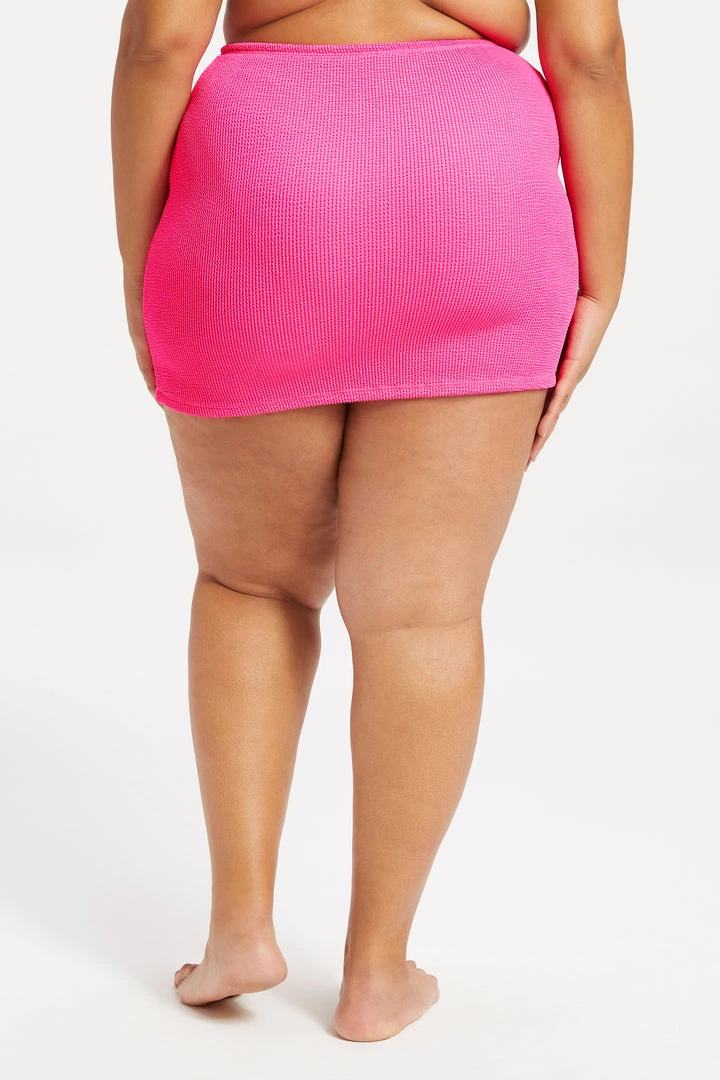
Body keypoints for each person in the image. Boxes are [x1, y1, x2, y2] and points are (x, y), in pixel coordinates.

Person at [110, 0, 632, 1043]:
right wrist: (602, 280)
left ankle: (239, 930)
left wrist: (140, 259)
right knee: (423, 615)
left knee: (250, 582)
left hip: (262, 184)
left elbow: (161, 43)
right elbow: (591, 56)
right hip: (475, 189)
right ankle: (377, 974)